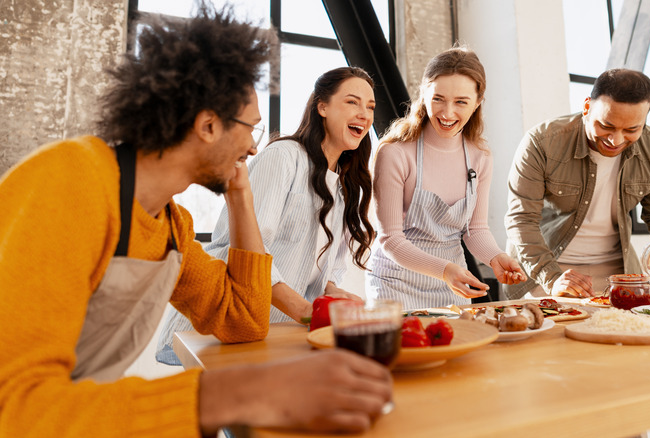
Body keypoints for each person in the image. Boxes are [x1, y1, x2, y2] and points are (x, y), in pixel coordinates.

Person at [0, 5, 392, 437]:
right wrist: (239, 394)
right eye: (250, 130)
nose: (252, 148)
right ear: (208, 125)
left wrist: (241, 197)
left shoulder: (171, 225)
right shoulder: (68, 183)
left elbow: (243, 319)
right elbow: (16, 410)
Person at [156, 67, 376, 364]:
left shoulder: (344, 183)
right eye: (352, 102)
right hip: (226, 323)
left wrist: (338, 299)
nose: (364, 113)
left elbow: (320, 272)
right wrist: (305, 310)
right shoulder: (283, 156)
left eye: (370, 106)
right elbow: (250, 251)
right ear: (322, 106)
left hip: (278, 332)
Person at [504, 68, 650, 299]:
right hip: (546, 268)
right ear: (587, 107)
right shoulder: (542, 142)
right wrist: (552, 278)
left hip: (618, 270)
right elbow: (521, 220)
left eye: (632, 129)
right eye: (606, 126)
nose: (616, 140)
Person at [367, 46, 526, 310]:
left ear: (477, 102)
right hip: (395, 285)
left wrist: (496, 257)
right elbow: (390, 239)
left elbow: (475, 230)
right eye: (438, 99)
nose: (447, 113)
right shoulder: (395, 153)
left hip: (452, 285)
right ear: (424, 95)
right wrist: (444, 270)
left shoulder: (480, 157)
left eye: (461, 102)